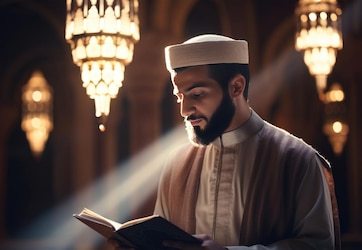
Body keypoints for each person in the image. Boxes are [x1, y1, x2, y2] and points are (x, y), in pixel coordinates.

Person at [111, 34, 340, 249]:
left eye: (197, 94)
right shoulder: (177, 165)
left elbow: (318, 246)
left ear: (236, 87)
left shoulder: (298, 159)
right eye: (179, 96)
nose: (184, 110)